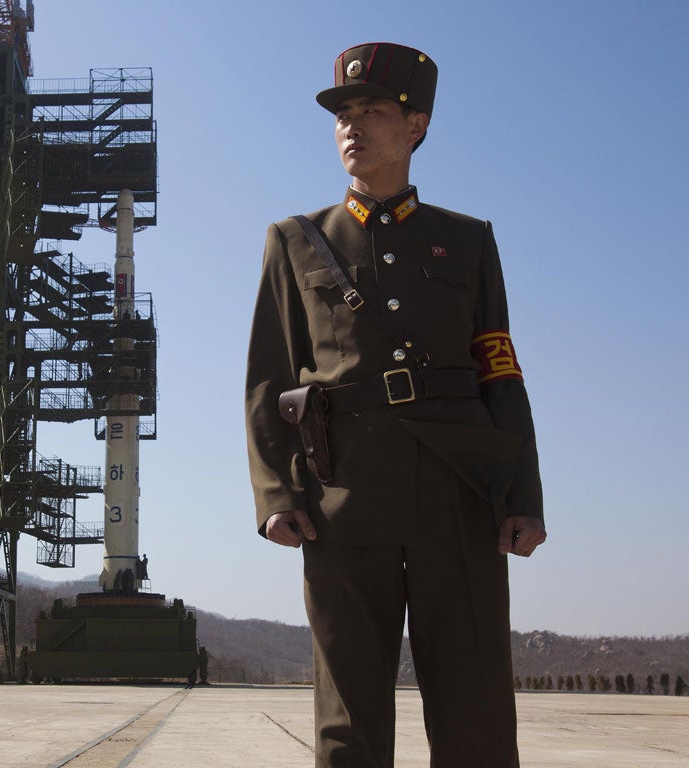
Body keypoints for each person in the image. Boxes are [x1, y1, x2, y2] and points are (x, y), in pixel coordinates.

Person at [245, 42, 546, 767]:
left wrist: (523, 497)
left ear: (416, 127)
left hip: (460, 494)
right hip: (342, 500)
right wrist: (278, 491)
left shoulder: (468, 242)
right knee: (348, 722)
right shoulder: (294, 242)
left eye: (373, 110)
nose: (353, 125)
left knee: (475, 713)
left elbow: (500, 370)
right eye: (344, 113)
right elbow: (267, 375)